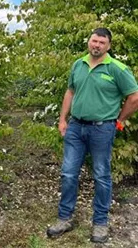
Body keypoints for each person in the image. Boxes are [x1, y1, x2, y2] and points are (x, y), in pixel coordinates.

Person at [47, 27, 138, 243]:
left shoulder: (117, 68)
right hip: (76, 127)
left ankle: (100, 223)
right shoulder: (79, 64)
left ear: (109, 46)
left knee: (101, 175)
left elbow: (134, 98)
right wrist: (62, 119)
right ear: (89, 42)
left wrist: (119, 120)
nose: (96, 45)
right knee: (68, 173)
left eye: (101, 42)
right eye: (94, 41)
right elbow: (70, 91)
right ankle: (65, 218)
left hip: (102, 129)